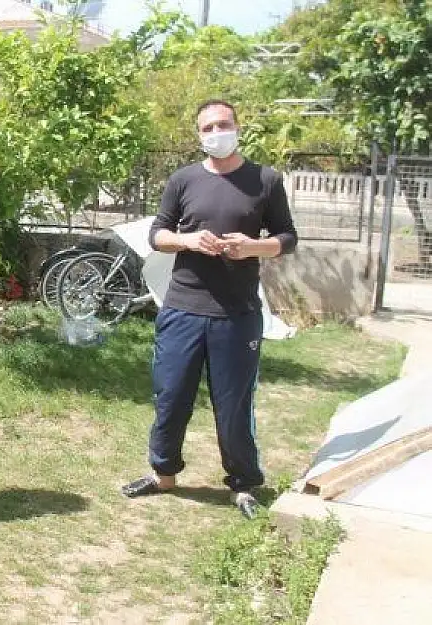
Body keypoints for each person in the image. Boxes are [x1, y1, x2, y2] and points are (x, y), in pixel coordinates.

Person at [121, 99, 298, 520]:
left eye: (223, 124)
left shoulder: (265, 181)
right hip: (182, 308)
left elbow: (288, 238)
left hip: (237, 315)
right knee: (171, 395)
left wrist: (252, 247)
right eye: (207, 128)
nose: (216, 132)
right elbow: (157, 234)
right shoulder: (183, 180)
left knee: (234, 402)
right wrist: (189, 240)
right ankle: (163, 474)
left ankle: (243, 485)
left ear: (237, 127)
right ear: (198, 135)